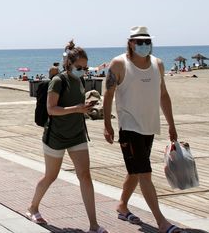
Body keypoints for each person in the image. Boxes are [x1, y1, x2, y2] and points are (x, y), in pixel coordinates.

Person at [103, 26, 180, 233]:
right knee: (145, 173)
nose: (144, 45)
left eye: (147, 42)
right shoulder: (119, 64)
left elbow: (163, 95)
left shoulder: (158, 64)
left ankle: (122, 205)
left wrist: (171, 124)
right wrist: (107, 124)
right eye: (139, 42)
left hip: (149, 126)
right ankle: (162, 222)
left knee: (135, 172)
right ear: (130, 43)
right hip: (129, 127)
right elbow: (108, 94)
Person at [27, 40, 108, 233]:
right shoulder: (58, 81)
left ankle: (93, 225)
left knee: (85, 176)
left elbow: (76, 105)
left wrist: (85, 106)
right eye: (79, 67)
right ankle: (33, 207)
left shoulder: (79, 80)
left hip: (77, 134)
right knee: (51, 176)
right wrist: (77, 108)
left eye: (85, 67)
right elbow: (51, 109)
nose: (83, 70)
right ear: (68, 64)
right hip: (56, 136)